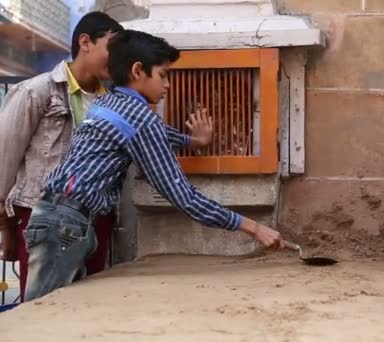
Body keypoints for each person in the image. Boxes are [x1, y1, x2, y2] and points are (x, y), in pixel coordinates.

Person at [23, 29, 284, 301]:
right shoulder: (139, 119)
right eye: (163, 75)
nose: (168, 85)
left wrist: (193, 142)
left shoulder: (108, 102)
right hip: (66, 225)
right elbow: (184, 197)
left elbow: (153, 132)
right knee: (38, 312)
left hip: (58, 216)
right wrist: (254, 228)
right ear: (138, 71)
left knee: (56, 310)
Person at [0, 12, 123, 301]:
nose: (118, 59)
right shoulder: (36, 92)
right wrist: (5, 227)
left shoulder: (115, 100)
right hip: (41, 217)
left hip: (97, 219)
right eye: (113, 48)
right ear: (86, 42)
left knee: (89, 304)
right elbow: (4, 160)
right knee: (41, 307)